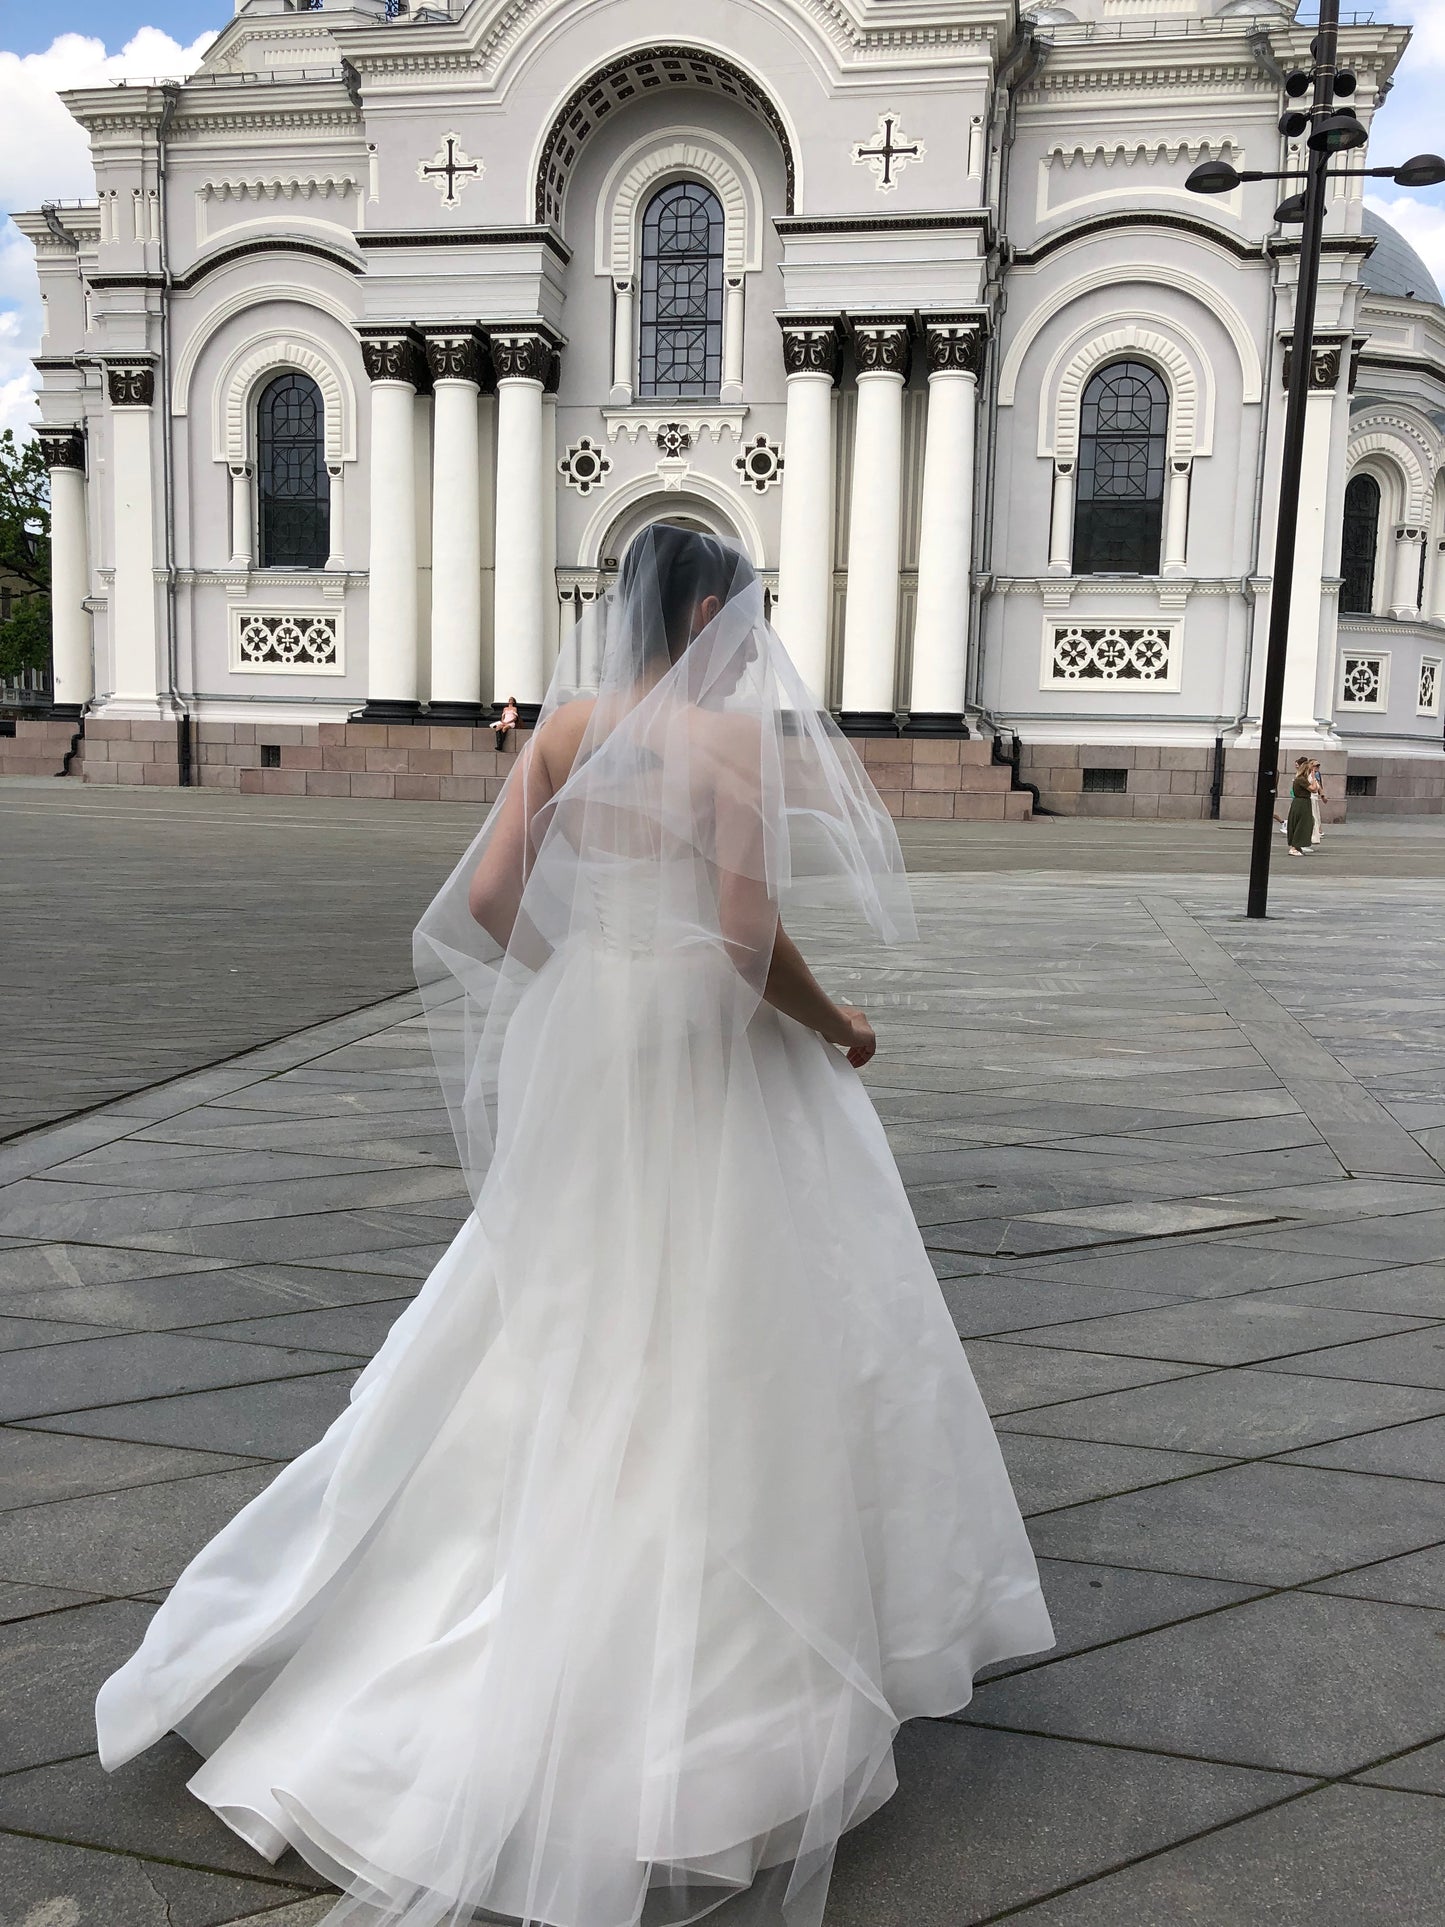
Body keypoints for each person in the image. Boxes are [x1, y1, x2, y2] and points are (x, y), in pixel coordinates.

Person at [94, 525, 1052, 1927]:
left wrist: (585, 970)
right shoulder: (728, 743)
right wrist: (835, 1021)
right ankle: (727, 1667)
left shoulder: (566, 731)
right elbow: (739, 936)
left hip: (592, 1028)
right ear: (715, 610)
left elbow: (487, 903)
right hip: (695, 1046)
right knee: (728, 1322)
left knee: (550, 1300)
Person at [1286, 755, 1315, 855]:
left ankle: (1297, 846)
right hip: (1302, 802)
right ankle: (1294, 846)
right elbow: (1313, 789)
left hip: (1301, 802)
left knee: (1303, 822)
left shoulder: (1299, 778)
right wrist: (1314, 778)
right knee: (1302, 823)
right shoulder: (1301, 779)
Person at [1309, 758, 1327, 844]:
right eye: (1316, 765)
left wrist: (1322, 795)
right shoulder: (1309, 775)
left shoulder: (1317, 774)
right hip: (1310, 797)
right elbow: (1314, 787)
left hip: (1315, 797)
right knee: (1313, 817)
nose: (1317, 767)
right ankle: (1314, 835)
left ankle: (1317, 833)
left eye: (1318, 765)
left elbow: (1319, 785)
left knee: (1316, 817)